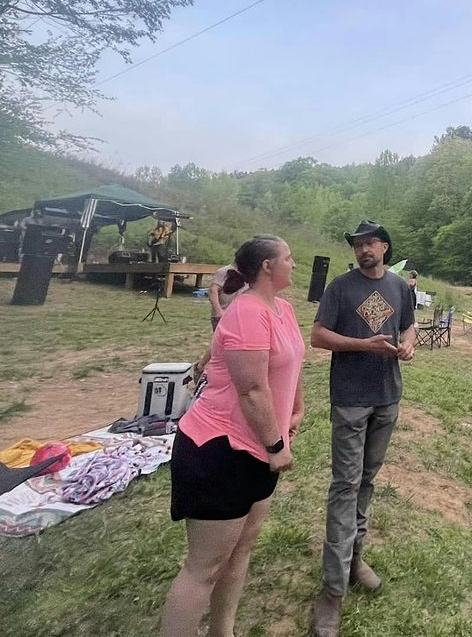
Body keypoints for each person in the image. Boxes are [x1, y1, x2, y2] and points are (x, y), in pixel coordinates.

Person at [160, 236, 305, 637]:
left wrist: (295, 409)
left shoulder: (284, 309)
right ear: (267, 267)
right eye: (288, 258)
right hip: (219, 451)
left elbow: (294, 361)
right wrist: (276, 445)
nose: (294, 264)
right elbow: (251, 389)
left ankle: (222, 632)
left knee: (240, 551)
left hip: (261, 449)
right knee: (204, 568)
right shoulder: (245, 313)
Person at [309, 221, 416, 637]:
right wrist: (362, 344)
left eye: (369, 243)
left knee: (366, 481)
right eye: (357, 245)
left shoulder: (399, 287)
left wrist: (408, 343)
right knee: (345, 486)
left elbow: (408, 324)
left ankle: (354, 561)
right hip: (350, 399)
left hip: (387, 397)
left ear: (384, 247)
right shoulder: (340, 287)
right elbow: (318, 336)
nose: (362, 250)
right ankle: (332, 592)